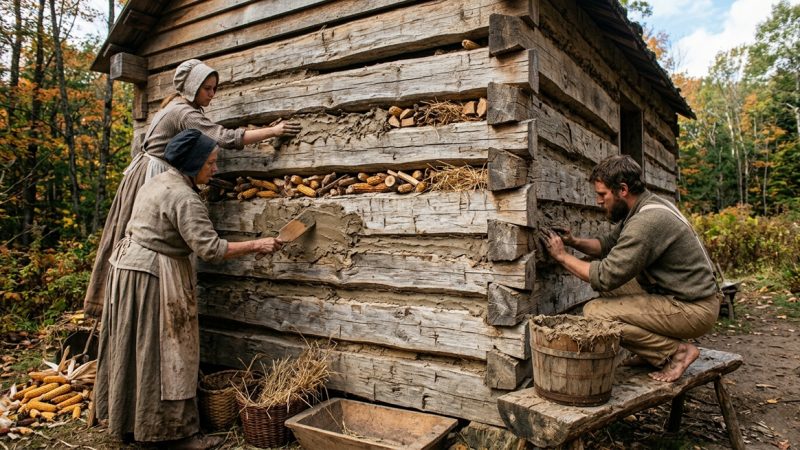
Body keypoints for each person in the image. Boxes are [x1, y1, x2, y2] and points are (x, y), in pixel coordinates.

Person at [95, 129, 283, 449]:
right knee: (166, 354)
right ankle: (173, 435)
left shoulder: (158, 181)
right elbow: (210, 249)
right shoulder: (184, 198)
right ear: (193, 163)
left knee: (135, 349)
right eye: (210, 163)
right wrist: (257, 244)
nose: (215, 169)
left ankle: (131, 424)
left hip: (127, 268)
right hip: (152, 277)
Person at [84, 59, 301, 318]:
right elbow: (223, 137)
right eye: (207, 88)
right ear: (192, 88)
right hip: (155, 173)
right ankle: (141, 298)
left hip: (149, 171)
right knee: (153, 237)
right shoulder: (184, 113)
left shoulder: (176, 106)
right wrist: (273, 131)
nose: (212, 94)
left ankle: (124, 301)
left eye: (214, 88)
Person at [543, 155, 719, 382]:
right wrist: (574, 241)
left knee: (595, 313)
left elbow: (605, 276)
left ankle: (676, 353)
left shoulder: (647, 222)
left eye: (602, 194)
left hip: (694, 309)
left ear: (623, 190)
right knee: (613, 290)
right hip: (681, 295)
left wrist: (562, 256)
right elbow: (606, 245)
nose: (598, 201)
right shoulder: (644, 206)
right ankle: (651, 353)